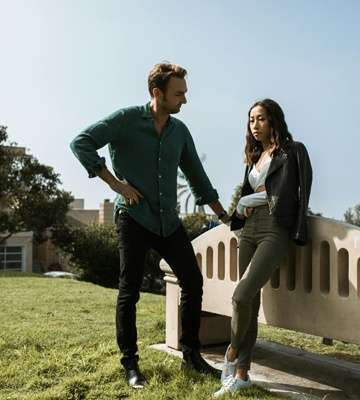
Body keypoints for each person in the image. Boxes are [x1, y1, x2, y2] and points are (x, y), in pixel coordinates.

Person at [70, 63, 230, 389]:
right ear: (158, 93)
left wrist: (225, 216)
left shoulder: (179, 131)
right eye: (179, 94)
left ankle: (191, 355)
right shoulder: (126, 120)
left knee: (192, 281)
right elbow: (81, 142)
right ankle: (130, 364)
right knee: (129, 291)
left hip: (168, 221)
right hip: (133, 218)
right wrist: (116, 184)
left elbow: (198, 178)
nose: (184, 99)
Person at [213, 99, 312, 397]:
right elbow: (252, 193)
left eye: (260, 119)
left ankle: (231, 352)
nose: (254, 125)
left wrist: (246, 201)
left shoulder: (292, 151)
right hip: (250, 229)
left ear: (274, 121)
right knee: (250, 302)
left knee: (240, 295)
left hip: (275, 228)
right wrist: (241, 210)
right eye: (251, 120)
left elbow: (290, 193)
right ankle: (242, 374)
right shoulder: (254, 156)